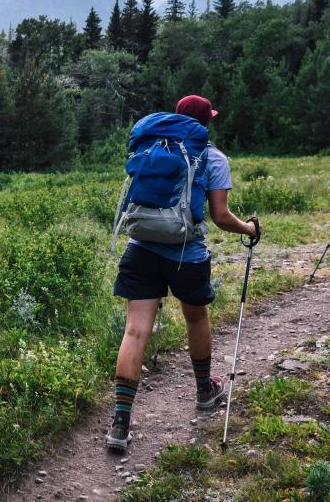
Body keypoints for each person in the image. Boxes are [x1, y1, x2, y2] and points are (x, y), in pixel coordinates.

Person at [106, 94, 259, 452]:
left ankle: (119, 423)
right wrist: (250, 230)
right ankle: (205, 391)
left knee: (134, 330)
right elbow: (221, 217)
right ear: (205, 123)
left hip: (140, 247)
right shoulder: (214, 156)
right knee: (195, 319)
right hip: (186, 255)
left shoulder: (150, 147)